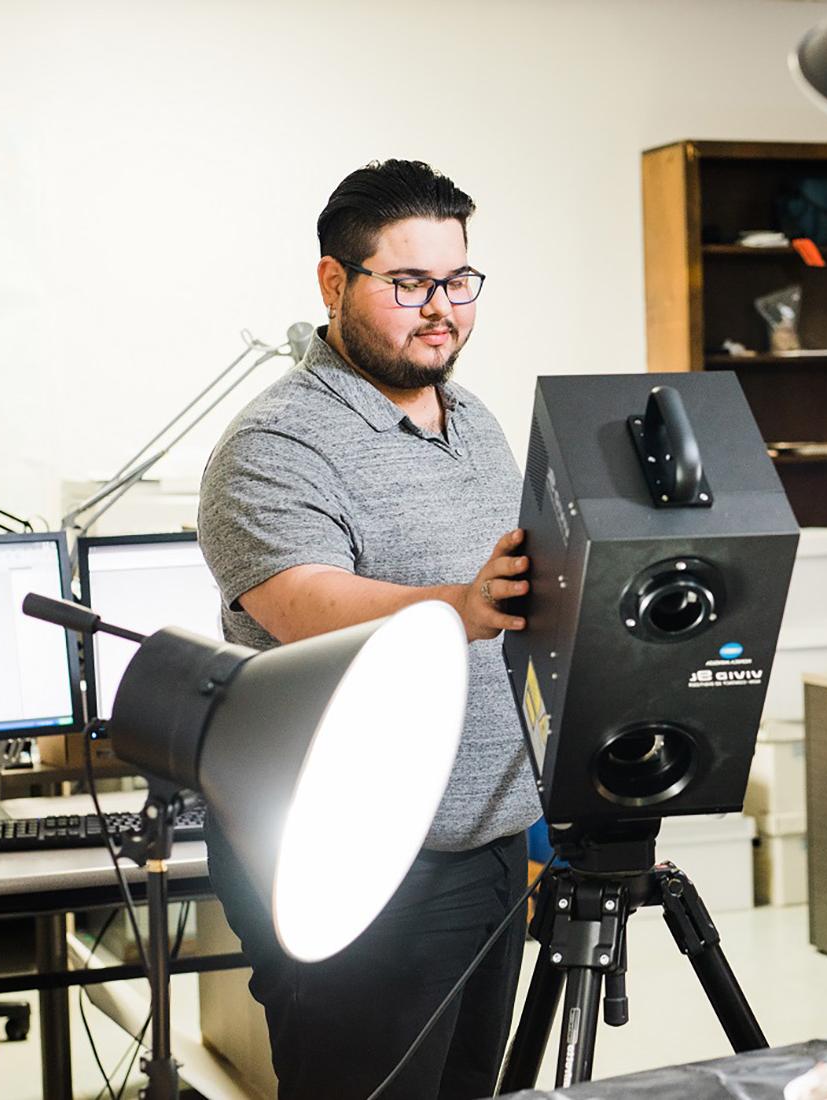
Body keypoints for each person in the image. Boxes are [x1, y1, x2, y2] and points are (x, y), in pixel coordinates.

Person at [197, 159, 542, 1099]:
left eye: (459, 282)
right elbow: (299, 602)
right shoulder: (276, 442)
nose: (443, 310)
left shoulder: (475, 420)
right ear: (333, 283)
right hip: (357, 859)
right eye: (410, 285)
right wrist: (454, 609)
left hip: (490, 840)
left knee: (475, 1085)